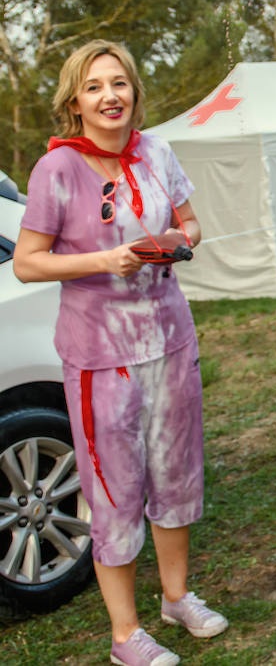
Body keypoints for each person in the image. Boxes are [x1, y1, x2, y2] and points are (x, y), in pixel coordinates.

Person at [14, 40, 227, 666]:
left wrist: (175, 242)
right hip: (101, 357)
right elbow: (27, 262)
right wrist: (106, 260)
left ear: (134, 91)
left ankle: (177, 596)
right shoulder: (56, 170)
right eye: (94, 86)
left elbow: (192, 224)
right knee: (115, 488)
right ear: (75, 102)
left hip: (170, 338)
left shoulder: (158, 151)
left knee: (177, 472)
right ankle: (124, 634)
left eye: (120, 84)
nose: (110, 96)